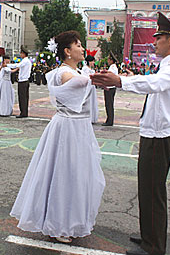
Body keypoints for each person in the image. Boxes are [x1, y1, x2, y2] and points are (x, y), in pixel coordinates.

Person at [91, 12, 170, 255]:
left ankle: (154, 247)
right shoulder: (166, 66)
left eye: (159, 38)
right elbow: (151, 81)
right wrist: (124, 79)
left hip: (160, 138)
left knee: (153, 192)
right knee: (146, 190)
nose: (154, 42)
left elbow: (153, 84)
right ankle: (149, 236)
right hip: (152, 136)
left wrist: (121, 82)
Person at [10, 30, 105, 243]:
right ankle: (60, 224)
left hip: (79, 128)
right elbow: (78, 82)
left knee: (79, 175)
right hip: (67, 129)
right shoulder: (62, 72)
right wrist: (96, 78)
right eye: (78, 45)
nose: (82, 48)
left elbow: (83, 81)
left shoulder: (78, 71)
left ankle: (72, 219)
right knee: (65, 175)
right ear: (67, 51)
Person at [10, 46, 32, 118]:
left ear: (23, 54)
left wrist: (7, 65)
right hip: (25, 81)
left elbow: (17, 65)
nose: (20, 54)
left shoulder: (25, 61)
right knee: (25, 98)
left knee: (22, 97)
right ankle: (24, 112)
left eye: (21, 53)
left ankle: (23, 113)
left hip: (23, 81)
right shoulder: (27, 61)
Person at [81, 55, 99, 123]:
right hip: (88, 88)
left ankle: (92, 117)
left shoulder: (92, 70)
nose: (93, 63)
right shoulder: (85, 69)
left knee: (92, 102)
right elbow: (85, 78)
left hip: (92, 87)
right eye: (92, 61)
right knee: (88, 102)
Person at [102, 53, 118, 126]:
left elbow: (109, 78)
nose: (108, 61)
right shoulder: (113, 67)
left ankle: (109, 120)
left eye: (109, 59)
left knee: (109, 104)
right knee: (109, 104)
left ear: (111, 60)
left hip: (110, 88)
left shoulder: (112, 68)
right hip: (111, 87)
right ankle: (109, 119)